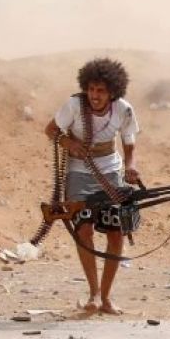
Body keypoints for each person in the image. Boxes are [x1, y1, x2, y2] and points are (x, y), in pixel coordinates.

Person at [44, 58, 141, 315]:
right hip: (78, 172)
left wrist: (131, 167)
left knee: (116, 232)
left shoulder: (123, 109)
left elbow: (129, 144)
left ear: (112, 92)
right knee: (84, 230)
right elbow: (51, 130)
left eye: (101, 91)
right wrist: (69, 144)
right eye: (91, 89)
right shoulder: (75, 105)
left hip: (109, 171)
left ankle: (106, 298)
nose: (94, 96)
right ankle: (94, 294)